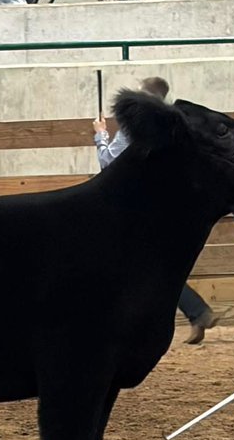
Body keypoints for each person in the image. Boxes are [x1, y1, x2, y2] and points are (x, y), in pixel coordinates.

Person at [93, 76, 219, 344]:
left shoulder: (134, 128)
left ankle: (191, 313)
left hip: (135, 209)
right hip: (166, 206)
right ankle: (196, 312)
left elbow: (109, 162)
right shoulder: (173, 127)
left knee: (136, 268)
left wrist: (100, 134)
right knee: (153, 270)